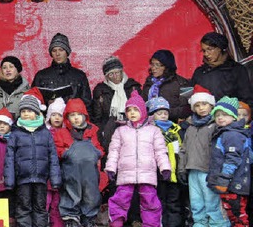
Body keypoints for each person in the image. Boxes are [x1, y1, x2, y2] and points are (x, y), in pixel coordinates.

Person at [104, 91, 171, 227]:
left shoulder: (154, 131)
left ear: (143, 112)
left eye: (136, 109)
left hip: (147, 173)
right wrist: (111, 167)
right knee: (119, 200)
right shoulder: (120, 131)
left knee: (150, 202)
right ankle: (116, 223)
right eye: (129, 110)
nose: (133, 113)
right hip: (125, 173)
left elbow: (160, 151)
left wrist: (165, 167)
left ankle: (151, 225)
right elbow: (114, 151)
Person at [4, 88, 61, 226]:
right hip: (23, 178)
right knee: (23, 207)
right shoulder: (16, 133)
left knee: (40, 208)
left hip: (41, 178)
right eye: (23, 111)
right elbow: (9, 159)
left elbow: (53, 157)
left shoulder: (45, 133)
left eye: (29, 111)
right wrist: (10, 180)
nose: (26, 114)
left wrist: (55, 179)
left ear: (36, 113)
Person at [177, 85, 229, 226]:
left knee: (212, 203)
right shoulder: (191, 127)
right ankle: (199, 224)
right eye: (197, 105)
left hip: (209, 171)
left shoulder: (216, 126)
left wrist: (220, 171)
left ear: (211, 105)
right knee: (196, 204)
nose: (201, 108)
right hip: (193, 170)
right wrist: (181, 169)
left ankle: (218, 224)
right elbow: (183, 149)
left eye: (204, 104)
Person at [53, 98, 104, 227]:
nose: (76, 118)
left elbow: (99, 148)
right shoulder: (62, 133)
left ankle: (89, 219)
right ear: (67, 118)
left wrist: (98, 153)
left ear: (84, 116)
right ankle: (71, 219)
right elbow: (56, 149)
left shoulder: (92, 131)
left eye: (78, 115)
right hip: (71, 174)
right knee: (70, 194)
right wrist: (65, 153)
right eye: (72, 115)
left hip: (90, 174)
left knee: (91, 196)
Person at [207, 96, 250, 227]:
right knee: (231, 215)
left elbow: (232, 159)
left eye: (225, 115)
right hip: (229, 184)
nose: (220, 117)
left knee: (238, 215)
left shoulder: (232, 134)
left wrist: (224, 179)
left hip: (233, 184)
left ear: (233, 117)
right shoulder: (224, 132)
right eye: (217, 115)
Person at [146, 97, 184, 227]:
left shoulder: (176, 129)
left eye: (165, 113)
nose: (163, 115)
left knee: (174, 201)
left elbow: (182, 149)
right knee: (158, 200)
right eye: (159, 113)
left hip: (175, 172)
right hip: (157, 172)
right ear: (152, 115)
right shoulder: (149, 130)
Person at [32, 33, 92, 113]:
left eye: (61, 50)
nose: (57, 54)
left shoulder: (79, 76)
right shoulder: (41, 75)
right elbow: (32, 102)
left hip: (73, 121)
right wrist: (47, 105)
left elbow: (87, 104)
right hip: (48, 121)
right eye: (54, 50)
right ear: (51, 53)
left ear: (67, 52)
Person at [190, 32, 253, 106]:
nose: (206, 54)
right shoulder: (199, 73)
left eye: (210, 49)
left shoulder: (237, 70)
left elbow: (247, 99)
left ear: (219, 48)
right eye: (204, 51)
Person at [91, 57, 141, 144]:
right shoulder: (100, 90)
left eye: (117, 72)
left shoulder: (133, 87)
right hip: (109, 130)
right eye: (111, 74)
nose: (115, 77)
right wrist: (102, 132)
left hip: (132, 126)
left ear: (122, 72)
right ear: (106, 76)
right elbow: (97, 117)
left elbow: (141, 111)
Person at [141, 50, 191, 122]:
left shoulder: (181, 83)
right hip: (150, 125)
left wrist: (162, 112)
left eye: (157, 65)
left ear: (167, 67)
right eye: (152, 64)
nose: (153, 68)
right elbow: (143, 103)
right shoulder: (149, 82)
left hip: (172, 125)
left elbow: (186, 109)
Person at [44, 98, 66, 227]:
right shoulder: (45, 133)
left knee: (57, 204)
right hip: (47, 175)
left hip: (61, 174)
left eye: (60, 115)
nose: (56, 118)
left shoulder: (66, 133)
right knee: (45, 201)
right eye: (53, 115)